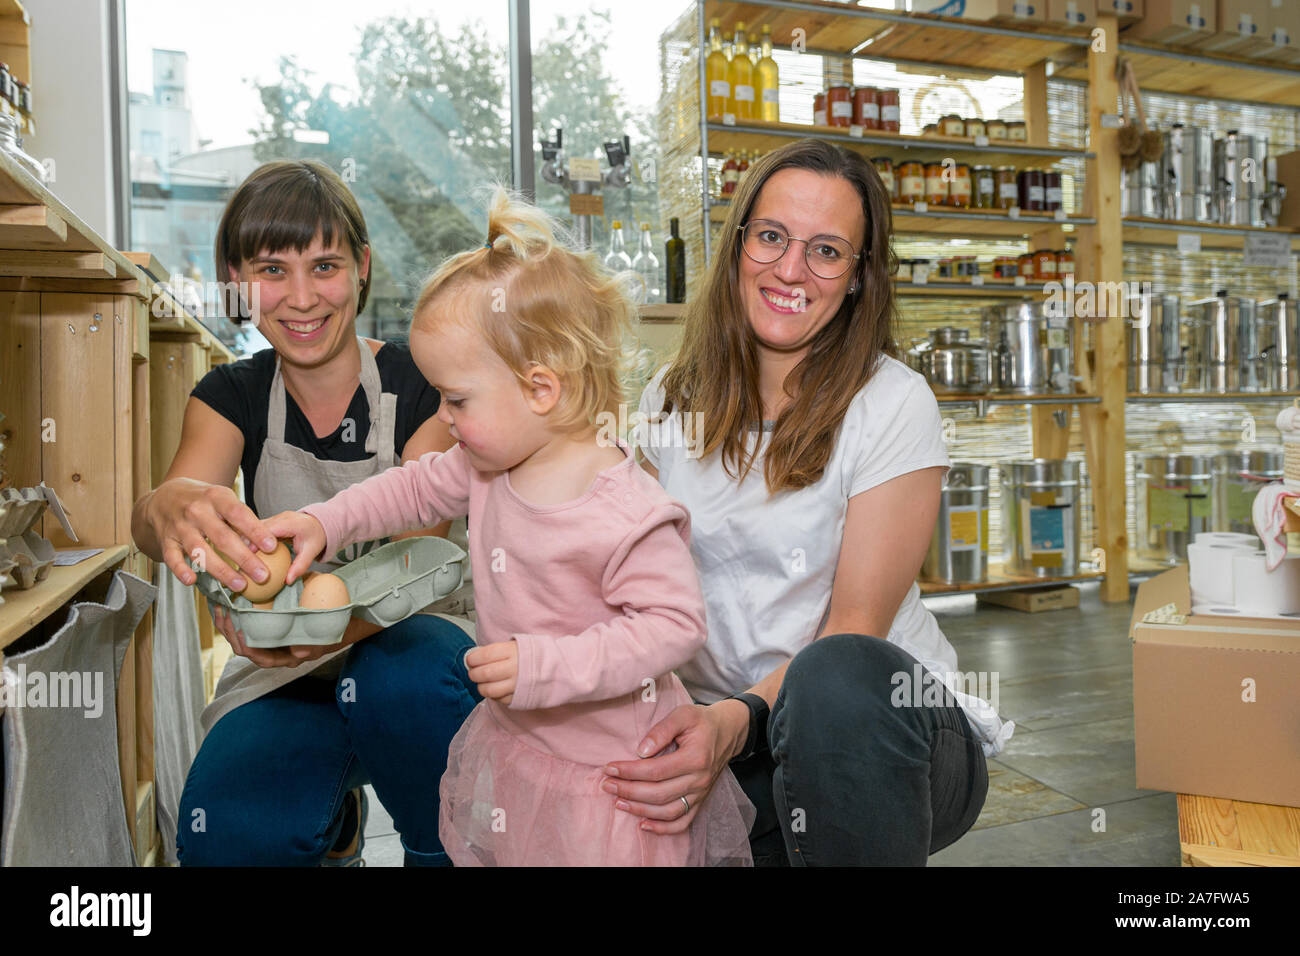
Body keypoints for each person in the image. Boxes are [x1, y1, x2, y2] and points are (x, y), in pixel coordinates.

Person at [265, 187, 755, 866]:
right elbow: (408, 490)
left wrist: (543, 666)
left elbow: (673, 627)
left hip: (612, 781)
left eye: (457, 399)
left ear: (540, 389)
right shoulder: (483, 464)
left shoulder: (625, 509)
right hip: (525, 753)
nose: (444, 416)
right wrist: (324, 522)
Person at [606, 138, 1014, 865]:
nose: (790, 270)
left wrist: (736, 721)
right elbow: (629, 579)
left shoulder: (892, 403)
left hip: (883, 731)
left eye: (827, 251)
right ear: (737, 245)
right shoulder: (672, 398)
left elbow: (857, 626)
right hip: (718, 729)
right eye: (770, 237)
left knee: (837, 677)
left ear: (858, 277)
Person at [130, 159, 479, 866]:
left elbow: (411, 561)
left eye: (324, 265)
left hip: (419, 657)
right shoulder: (230, 394)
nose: (300, 297)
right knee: (225, 831)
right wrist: (163, 508)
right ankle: (333, 826)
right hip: (285, 670)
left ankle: (437, 852)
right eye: (270, 269)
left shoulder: (419, 385)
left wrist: (304, 622)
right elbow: (165, 511)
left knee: (398, 679)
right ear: (236, 279)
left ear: (362, 268)